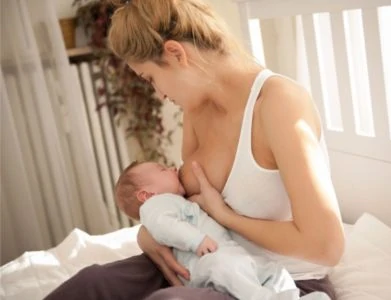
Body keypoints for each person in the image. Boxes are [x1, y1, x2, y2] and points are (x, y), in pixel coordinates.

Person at [45, 0, 344, 299]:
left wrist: (227, 217)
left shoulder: (279, 104)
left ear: (176, 53)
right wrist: (147, 233)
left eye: (150, 79)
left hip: (271, 282)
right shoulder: (196, 108)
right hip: (202, 264)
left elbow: (326, 246)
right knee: (90, 283)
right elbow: (185, 204)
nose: (159, 94)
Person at [114, 160, 300, 300]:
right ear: (147, 195)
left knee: (273, 271)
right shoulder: (156, 205)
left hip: (228, 253)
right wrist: (196, 241)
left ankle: (290, 296)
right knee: (229, 270)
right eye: (163, 169)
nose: (172, 168)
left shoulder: (173, 202)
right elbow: (165, 226)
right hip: (205, 261)